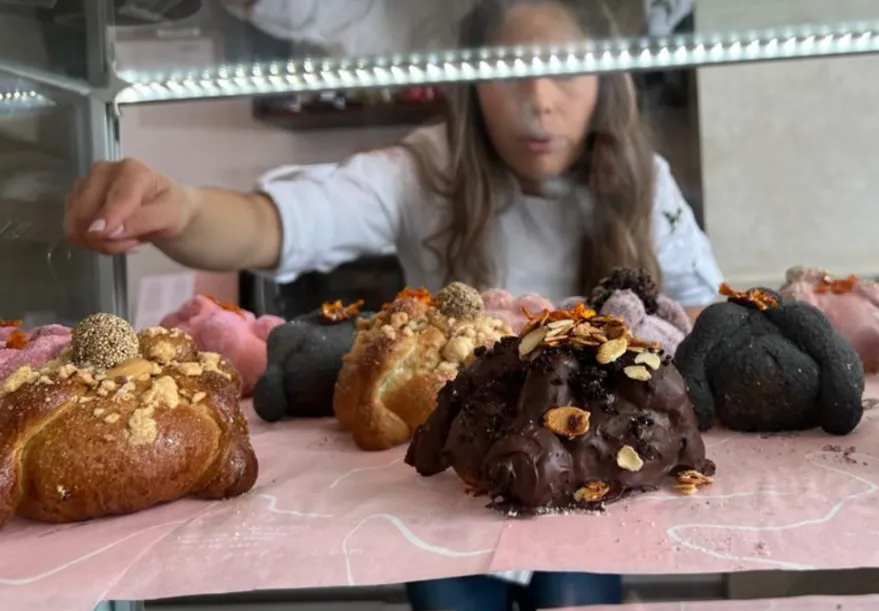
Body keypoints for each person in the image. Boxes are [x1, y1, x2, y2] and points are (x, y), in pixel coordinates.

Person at [63, 0, 724, 609]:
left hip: (594, 462)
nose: (540, 102)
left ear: (608, 82)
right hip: (451, 472)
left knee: (576, 591)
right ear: (470, 83)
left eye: (567, 72)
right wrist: (179, 208)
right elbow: (278, 223)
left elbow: (696, 310)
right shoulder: (426, 171)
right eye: (510, 72)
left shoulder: (644, 182)